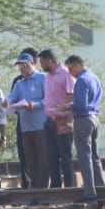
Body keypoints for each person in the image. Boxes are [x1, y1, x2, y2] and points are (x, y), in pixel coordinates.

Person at [6, 52, 48, 188]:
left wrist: (35, 105)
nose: (22, 68)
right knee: (31, 160)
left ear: (33, 64)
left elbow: (49, 99)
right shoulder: (19, 84)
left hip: (41, 126)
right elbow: (12, 97)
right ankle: (34, 190)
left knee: (43, 160)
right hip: (26, 128)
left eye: (25, 64)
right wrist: (7, 102)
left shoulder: (43, 79)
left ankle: (44, 190)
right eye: (20, 65)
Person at [66, 54, 104, 200]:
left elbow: (80, 105)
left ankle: (89, 193)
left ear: (78, 66)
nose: (70, 72)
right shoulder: (94, 77)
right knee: (95, 156)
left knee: (84, 156)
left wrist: (67, 107)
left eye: (70, 69)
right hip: (95, 118)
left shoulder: (81, 80)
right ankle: (100, 187)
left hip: (83, 119)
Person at [39, 49, 77, 188]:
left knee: (65, 158)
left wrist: (70, 122)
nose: (41, 65)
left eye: (42, 61)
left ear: (50, 61)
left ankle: (69, 190)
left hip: (63, 121)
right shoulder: (48, 76)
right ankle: (55, 190)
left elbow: (72, 98)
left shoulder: (66, 74)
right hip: (49, 122)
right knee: (51, 158)